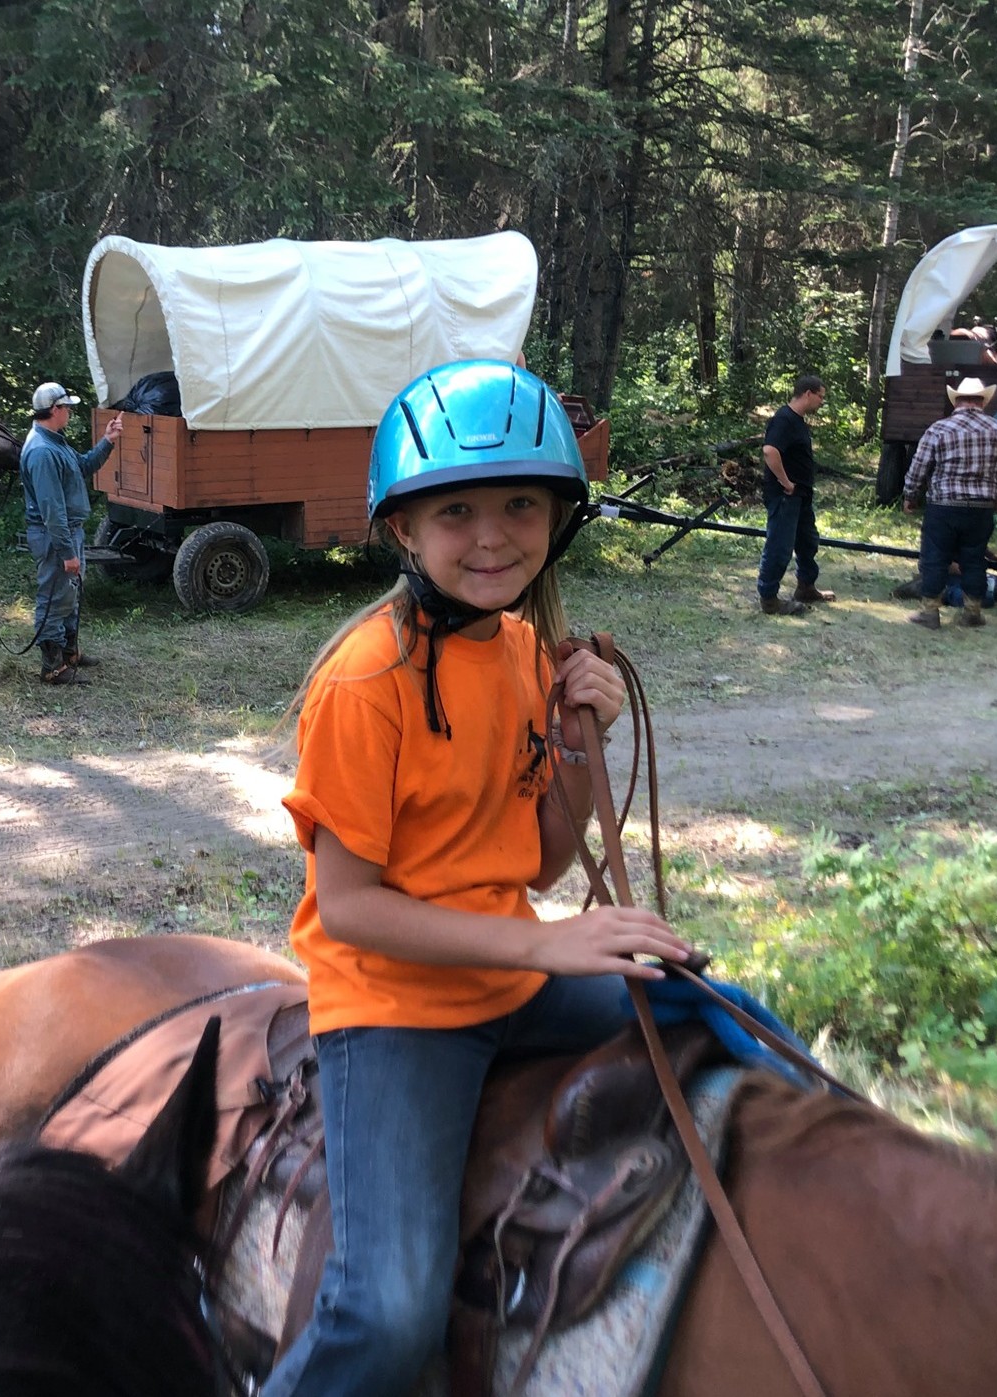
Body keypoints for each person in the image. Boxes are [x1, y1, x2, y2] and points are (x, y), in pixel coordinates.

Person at [266, 360, 695, 1397]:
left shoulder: (519, 651)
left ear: (559, 518)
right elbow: (356, 906)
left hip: (511, 976)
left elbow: (542, 857)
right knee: (390, 1311)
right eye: (457, 509)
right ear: (403, 528)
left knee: (723, 1018)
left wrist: (582, 732)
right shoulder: (362, 682)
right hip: (395, 1005)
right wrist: (549, 942)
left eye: (521, 505)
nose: (494, 534)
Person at [20, 382, 122, 684]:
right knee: (53, 598)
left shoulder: (55, 442)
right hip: (54, 537)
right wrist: (66, 553)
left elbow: (83, 466)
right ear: (54, 410)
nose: (70, 413)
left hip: (67, 533)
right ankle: (53, 669)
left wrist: (107, 440)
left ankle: (69, 654)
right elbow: (52, 510)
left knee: (69, 595)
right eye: (67, 408)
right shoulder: (41, 451)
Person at [901, 376, 997, 631]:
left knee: (935, 557)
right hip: (981, 506)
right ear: (982, 402)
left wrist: (910, 495)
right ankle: (972, 612)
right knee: (975, 558)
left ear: (957, 401)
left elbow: (919, 467)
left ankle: (930, 613)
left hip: (943, 505)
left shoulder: (939, 429)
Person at [755, 373, 832, 616]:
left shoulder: (797, 420)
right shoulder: (784, 419)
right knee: (780, 546)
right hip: (785, 496)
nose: (821, 402)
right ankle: (769, 599)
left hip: (801, 497)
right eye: (821, 397)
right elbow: (769, 451)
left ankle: (806, 587)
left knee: (808, 542)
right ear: (808, 394)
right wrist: (786, 482)